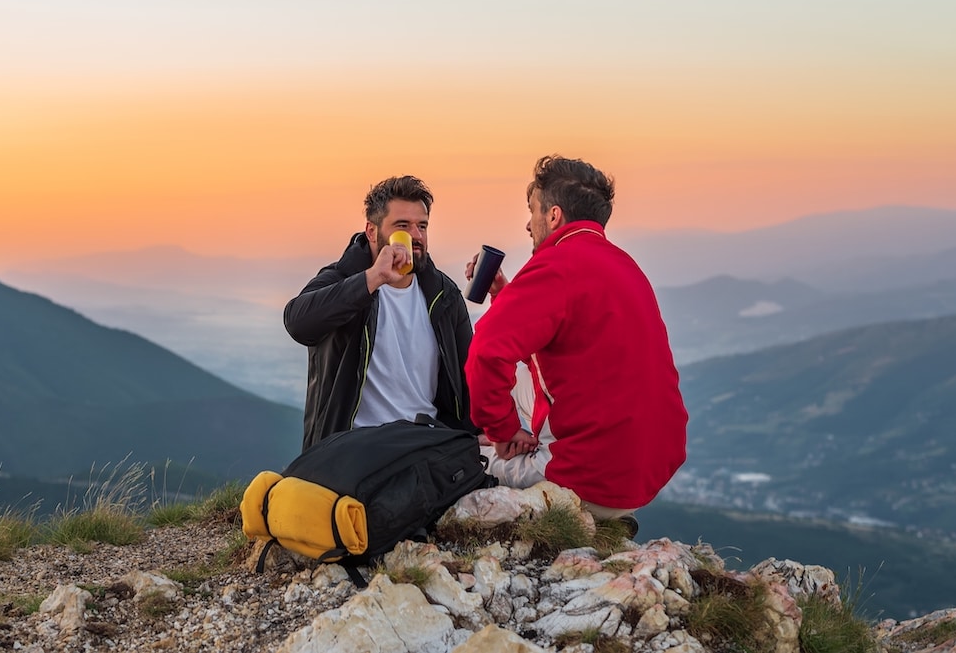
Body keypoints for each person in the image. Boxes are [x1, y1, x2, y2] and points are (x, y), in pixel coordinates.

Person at [465, 154, 687, 524]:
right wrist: (504, 296)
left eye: (533, 211)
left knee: (459, 458)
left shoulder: (556, 264)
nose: (528, 224)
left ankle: (535, 469)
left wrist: (502, 432)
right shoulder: (625, 266)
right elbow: (570, 342)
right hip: (642, 475)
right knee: (517, 381)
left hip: (587, 480)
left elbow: (486, 353)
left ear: (553, 216)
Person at [284, 175, 475, 450]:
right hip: (351, 447)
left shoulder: (443, 295)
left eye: (422, 226)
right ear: (372, 232)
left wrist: (476, 433)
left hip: (425, 444)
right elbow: (296, 322)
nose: (416, 236)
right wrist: (372, 279)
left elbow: (467, 374)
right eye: (403, 226)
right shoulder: (343, 279)